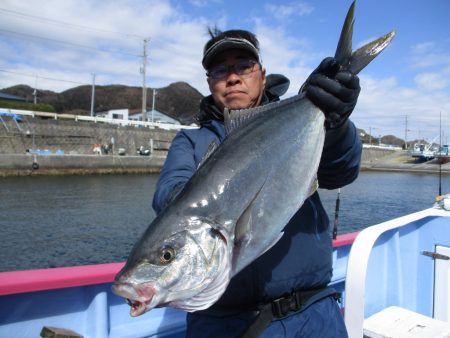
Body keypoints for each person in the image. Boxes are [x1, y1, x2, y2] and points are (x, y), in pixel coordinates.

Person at [152, 29, 362, 338]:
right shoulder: (191, 142)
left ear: (262, 75)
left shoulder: (301, 120)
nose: (232, 77)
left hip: (314, 314)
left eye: (243, 66)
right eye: (220, 70)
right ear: (209, 82)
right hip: (224, 325)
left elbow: (340, 172)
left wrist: (337, 125)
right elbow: (168, 197)